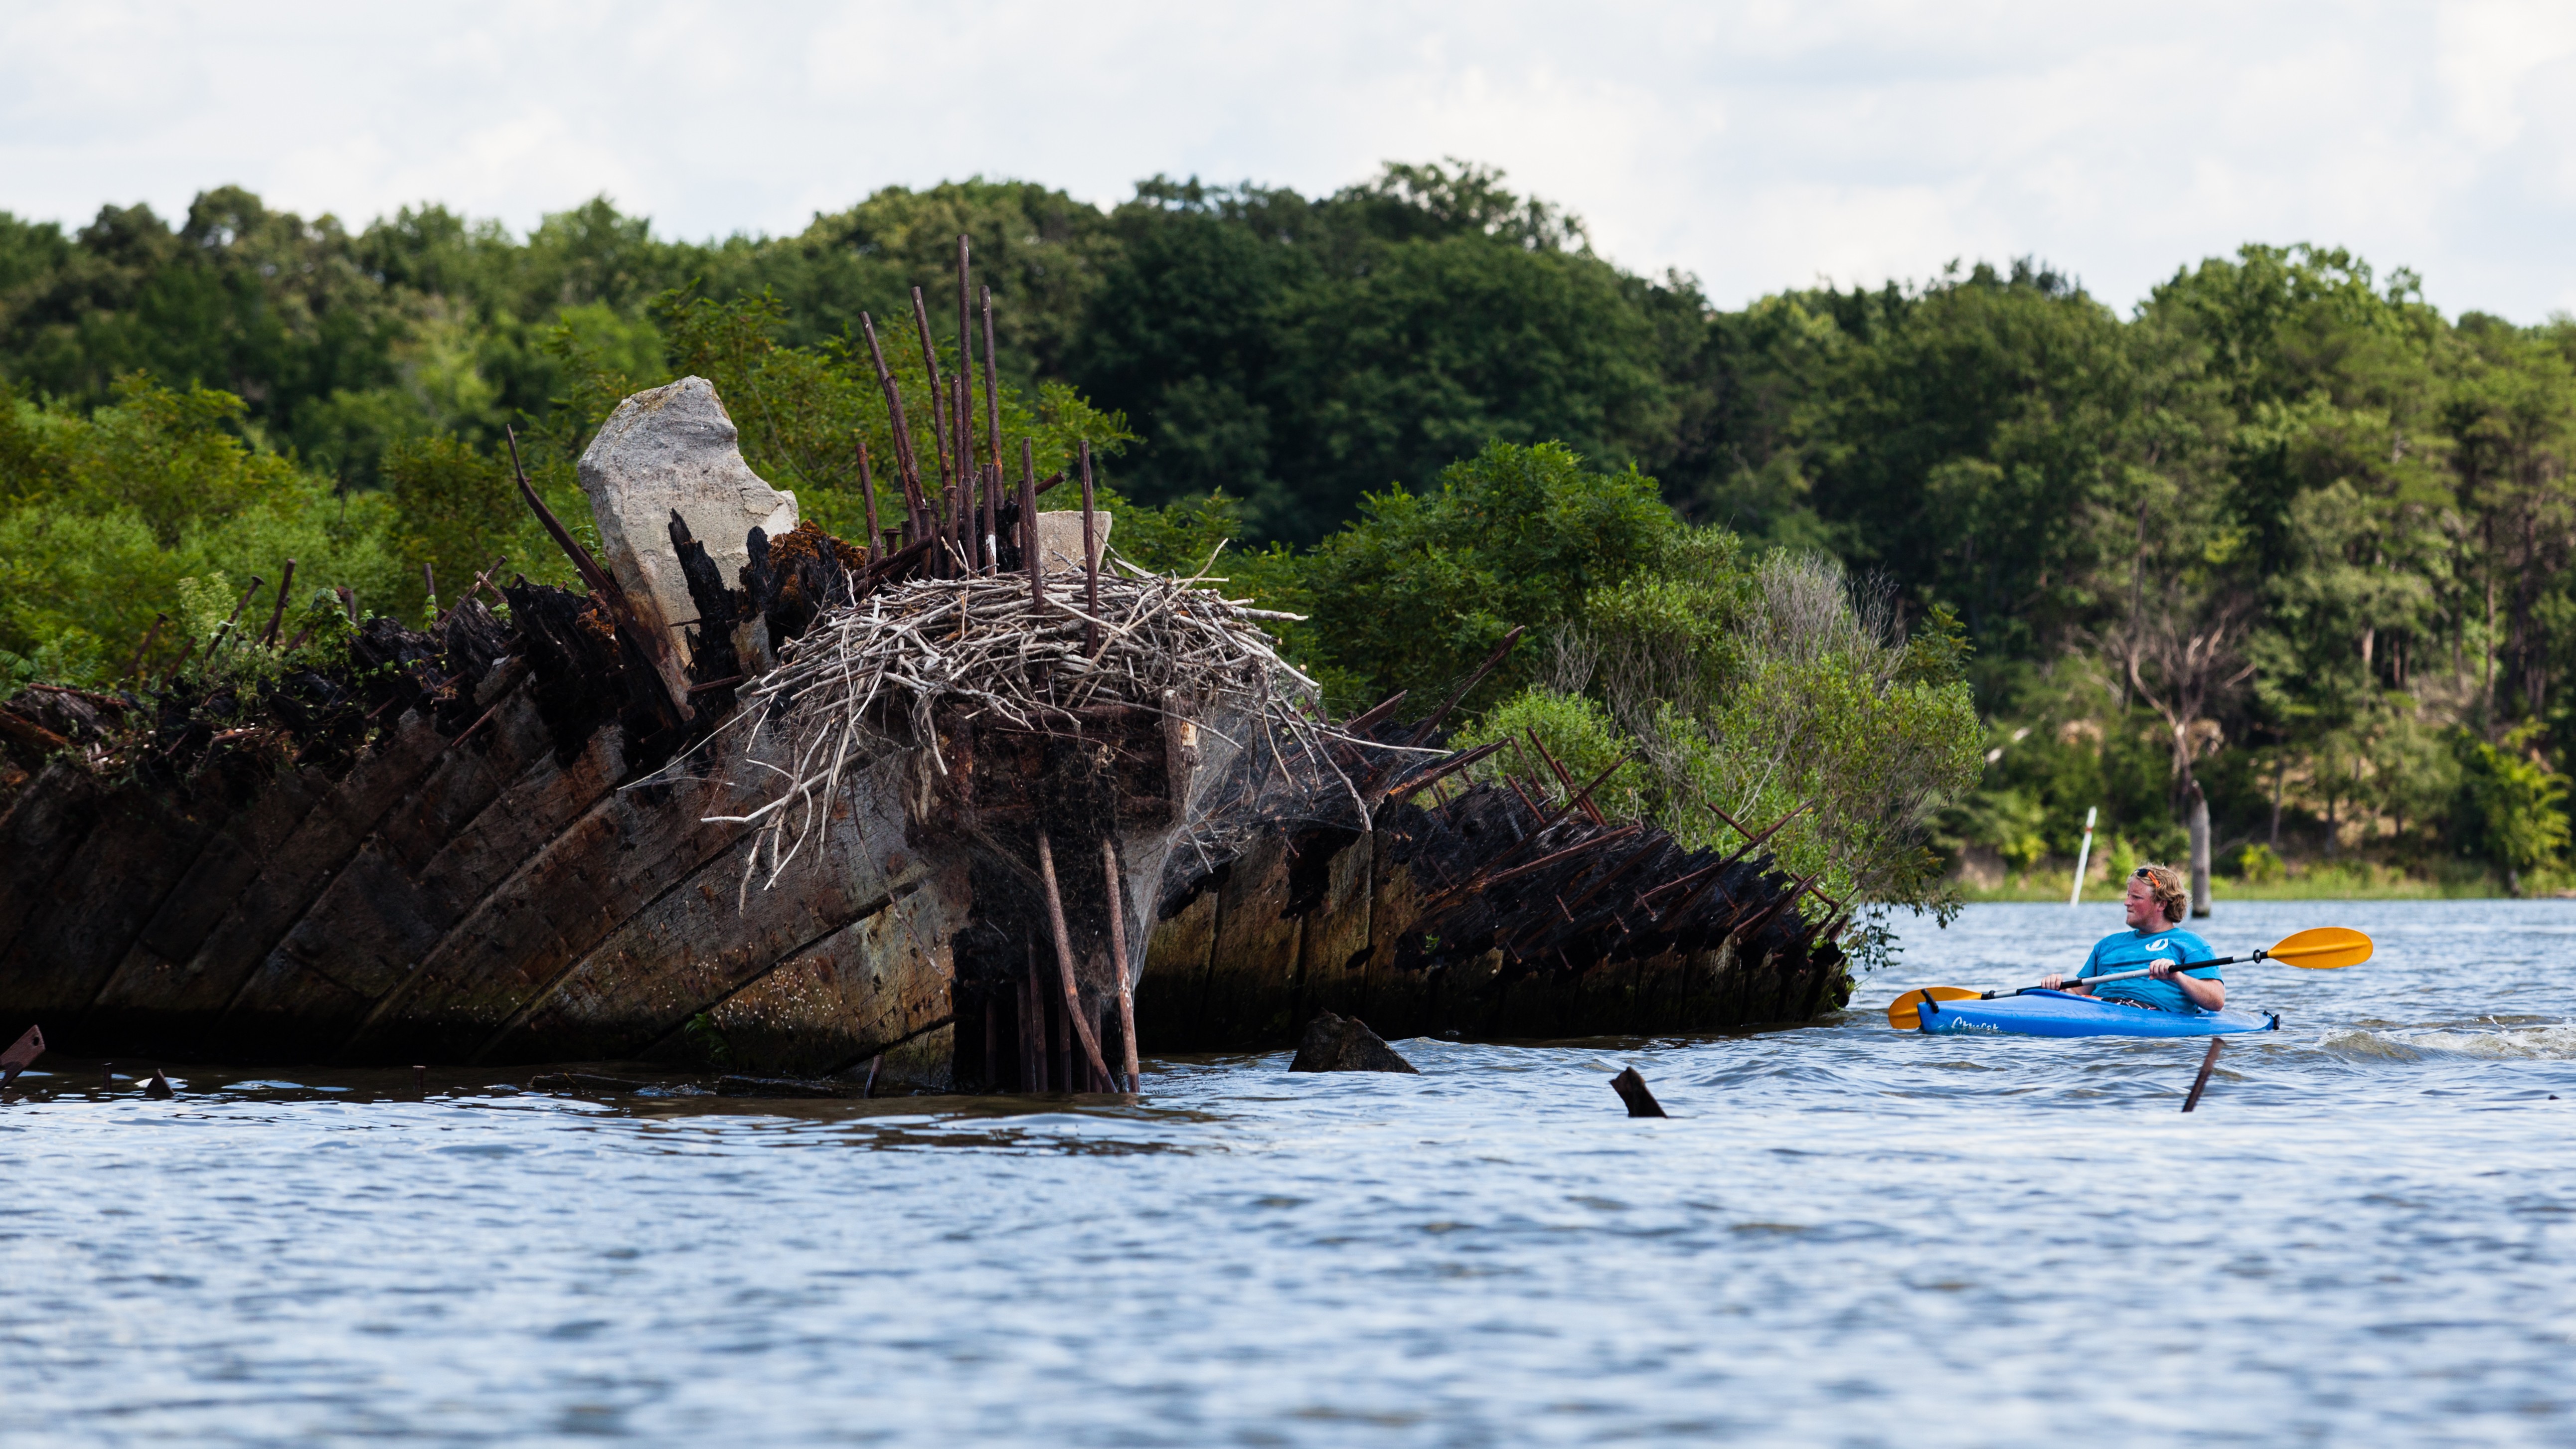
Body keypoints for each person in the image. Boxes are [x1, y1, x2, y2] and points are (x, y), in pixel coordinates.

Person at [2039, 863, 2224, 1012]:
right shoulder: (2107, 945)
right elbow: (2078, 993)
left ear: (2161, 904)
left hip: (2148, 1012)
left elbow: (2216, 1001)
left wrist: (2177, 977)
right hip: (2098, 1006)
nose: (2127, 902)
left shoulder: (2191, 944)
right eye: (2128, 895)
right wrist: (2057, 987)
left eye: (2136, 897)